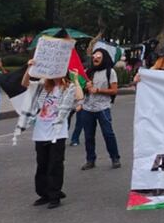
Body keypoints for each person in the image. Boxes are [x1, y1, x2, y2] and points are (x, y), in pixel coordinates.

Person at [21, 59, 75, 208]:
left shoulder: (68, 87)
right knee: (42, 164)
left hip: (57, 132)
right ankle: (43, 194)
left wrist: (75, 79)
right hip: (41, 131)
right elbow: (25, 84)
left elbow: (71, 103)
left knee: (55, 164)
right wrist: (29, 68)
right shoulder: (44, 86)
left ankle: (54, 195)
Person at [79, 46, 121, 170]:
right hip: (87, 108)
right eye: (94, 57)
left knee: (108, 134)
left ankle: (115, 158)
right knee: (88, 136)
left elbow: (114, 90)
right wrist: (85, 87)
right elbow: (82, 89)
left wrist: (98, 90)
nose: (95, 58)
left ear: (104, 58)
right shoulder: (89, 72)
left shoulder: (110, 72)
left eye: (98, 57)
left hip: (103, 108)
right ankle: (90, 160)